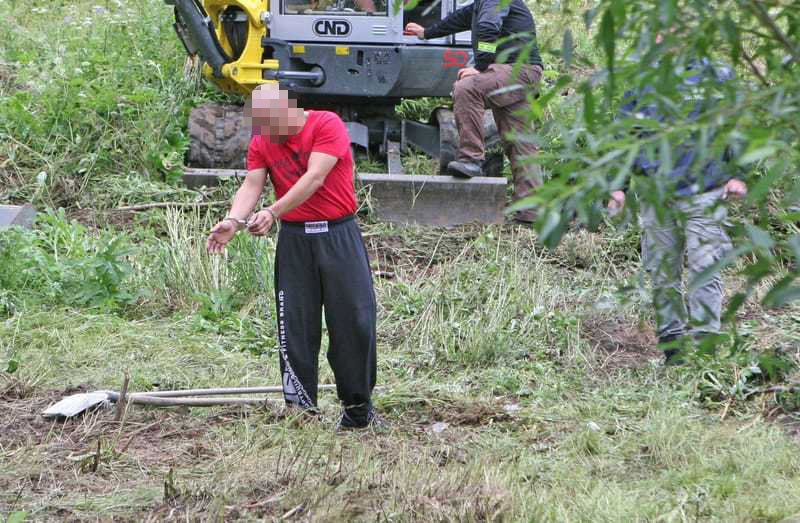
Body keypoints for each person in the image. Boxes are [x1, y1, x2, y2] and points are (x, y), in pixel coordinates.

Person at [206, 84, 379, 429]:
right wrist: (234, 221)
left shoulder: (326, 124)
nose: (266, 135)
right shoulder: (264, 141)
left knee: (354, 322)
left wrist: (273, 211)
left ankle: (358, 410)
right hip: (296, 242)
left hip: (337, 234)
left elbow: (315, 177)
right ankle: (301, 410)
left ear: (288, 110)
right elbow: (252, 184)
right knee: (294, 324)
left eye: (270, 125)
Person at [607, 58, 748, 365]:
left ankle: (706, 349)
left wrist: (739, 174)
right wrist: (617, 186)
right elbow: (624, 137)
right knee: (661, 274)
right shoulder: (642, 79)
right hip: (655, 196)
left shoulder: (717, 75)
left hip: (705, 192)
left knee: (705, 269)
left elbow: (735, 127)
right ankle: (674, 351)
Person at [405, 0, 544, 223]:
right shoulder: (482, 3)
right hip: (522, 73)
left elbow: (488, 28)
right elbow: (459, 18)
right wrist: (426, 33)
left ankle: (471, 158)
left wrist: (480, 67)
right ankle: (532, 209)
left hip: (517, 70)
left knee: (467, 88)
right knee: (519, 141)